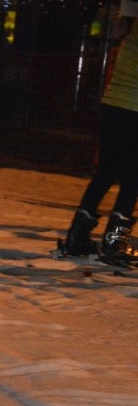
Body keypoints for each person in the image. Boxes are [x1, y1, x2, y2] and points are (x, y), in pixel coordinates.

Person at [61, 19, 137, 265]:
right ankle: (115, 243)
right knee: (133, 179)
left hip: (112, 108)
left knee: (105, 172)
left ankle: (77, 237)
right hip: (135, 112)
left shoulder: (131, 38)